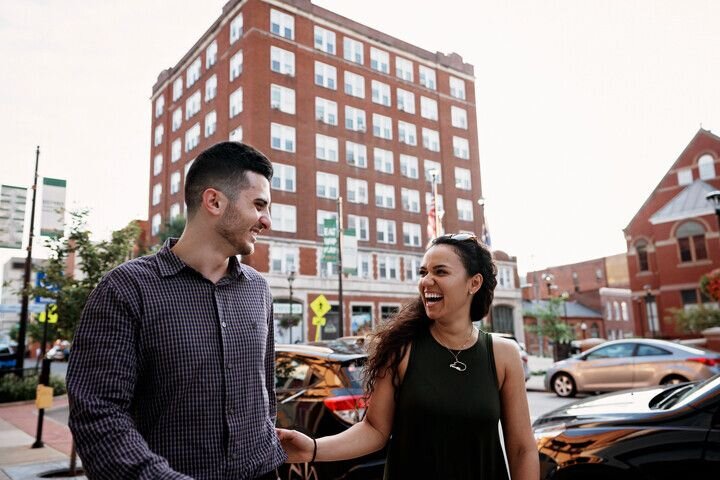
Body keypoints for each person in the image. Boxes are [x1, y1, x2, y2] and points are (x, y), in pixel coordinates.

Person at [67, 142, 286, 479]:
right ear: (214, 201)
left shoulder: (258, 290)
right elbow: (98, 415)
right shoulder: (126, 289)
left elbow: (264, 391)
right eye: (259, 205)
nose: (266, 221)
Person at [278, 233, 539, 479]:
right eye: (423, 272)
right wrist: (312, 449)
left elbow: (521, 449)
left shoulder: (503, 354)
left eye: (440, 272)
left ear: (474, 283)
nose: (426, 281)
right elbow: (374, 430)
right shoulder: (401, 349)